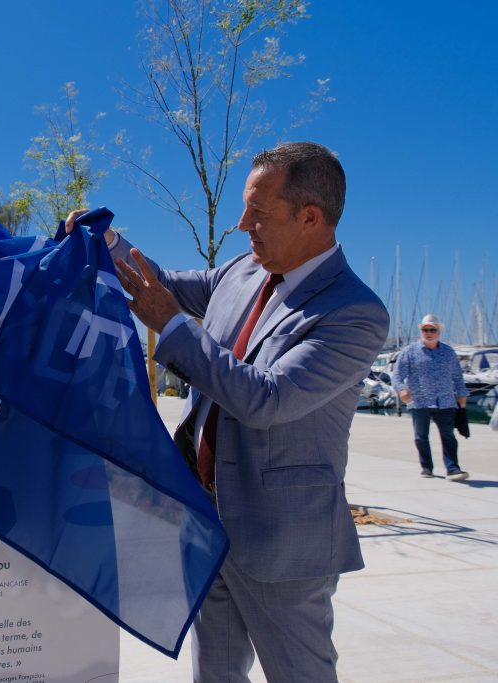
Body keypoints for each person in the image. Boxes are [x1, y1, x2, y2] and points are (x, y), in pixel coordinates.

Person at [67, 142, 388, 682]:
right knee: (213, 673)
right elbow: (159, 285)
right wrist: (109, 243)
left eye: (259, 213)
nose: (242, 225)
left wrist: (171, 328)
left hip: (281, 542)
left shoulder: (353, 312)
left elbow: (269, 399)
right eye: (243, 209)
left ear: (310, 217)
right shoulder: (242, 272)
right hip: (205, 520)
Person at [393, 314, 469, 480]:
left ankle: (453, 469)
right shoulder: (409, 352)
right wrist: (401, 390)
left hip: (445, 401)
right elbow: (398, 374)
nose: (429, 332)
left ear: (438, 332)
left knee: (448, 435)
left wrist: (462, 394)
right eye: (425, 329)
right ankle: (426, 467)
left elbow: (457, 376)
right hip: (419, 402)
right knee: (421, 437)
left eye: (432, 330)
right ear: (421, 331)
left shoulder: (448, 352)